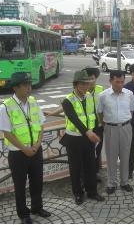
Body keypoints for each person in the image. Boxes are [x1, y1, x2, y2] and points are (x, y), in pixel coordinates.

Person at [0, 72, 51, 224]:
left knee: (37, 181)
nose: (29, 87)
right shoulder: (6, 107)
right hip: (18, 154)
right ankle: (23, 214)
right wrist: (24, 149)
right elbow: (7, 133)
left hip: (36, 150)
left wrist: (37, 144)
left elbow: (41, 125)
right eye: (25, 85)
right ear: (16, 88)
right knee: (20, 185)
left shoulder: (33, 102)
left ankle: (37, 207)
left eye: (30, 84)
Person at [44, 67, 104, 181]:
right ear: (76, 84)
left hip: (96, 128)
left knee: (95, 155)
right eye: (86, 80)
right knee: (78, 162)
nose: (90, 82)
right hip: (79, 133)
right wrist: (52, 113)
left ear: (95, 79)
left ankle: (93, 176)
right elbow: (69, 111)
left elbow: (102, 109)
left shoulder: (100, 91)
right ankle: (82, 181)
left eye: (92, 79)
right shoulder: (73, 97)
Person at [61, 70, 104, 205]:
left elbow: (93, 115)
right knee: (75, 168)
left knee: (90, 166)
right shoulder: (68, 100)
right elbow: (74, 119)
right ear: (75, 84)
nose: (85, 87)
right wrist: (88, 132)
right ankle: (78, 193)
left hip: (89, 138)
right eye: (82, 84)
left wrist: (97, 131)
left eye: (87, 84)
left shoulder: (89, 97)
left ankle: (92, 192)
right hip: (74, 138)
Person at [97, 70, 134, 194]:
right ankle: (111, 183)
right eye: (117, 82)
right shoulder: (103, 95)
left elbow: (132, 110)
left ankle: (124, 182)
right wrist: (107, 124)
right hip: (110, 128)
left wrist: (124, 121)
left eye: (121, 82)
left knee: (126, 156)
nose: (120, 84)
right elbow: (100, 112)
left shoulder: (129, 94)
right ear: (110, 81)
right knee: (111, 157)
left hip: (126, 127)